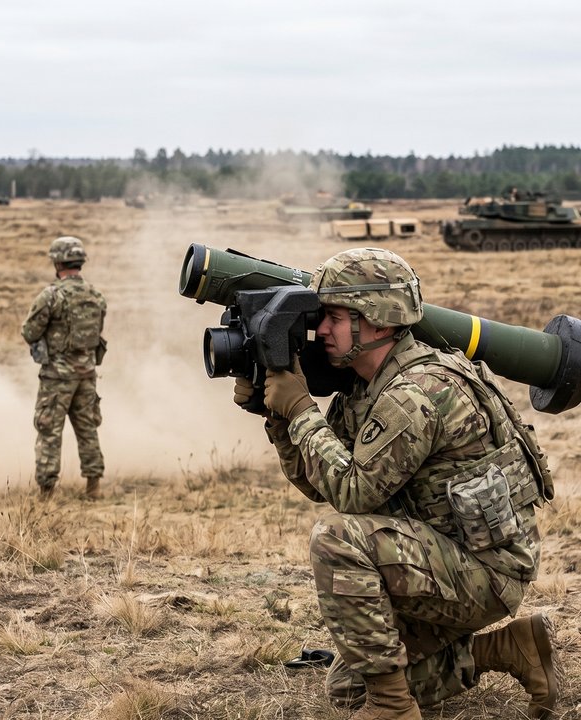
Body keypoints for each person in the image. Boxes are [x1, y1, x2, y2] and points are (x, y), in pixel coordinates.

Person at [237, 248, 558, 719]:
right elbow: (319, 482)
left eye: (334, 317)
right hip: (443, 558)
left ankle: (393, 710)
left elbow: (352, 495)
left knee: (337, 539)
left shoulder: (417, 393)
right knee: (349, 689)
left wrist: (301, 409)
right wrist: (279, 416)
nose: (320, 329)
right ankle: (511, 648)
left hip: (484, 574)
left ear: (380, 322)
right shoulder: (366, 387)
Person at [21, 236, 107, 500]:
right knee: (87, 428)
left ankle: (46, 492)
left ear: (57, 262)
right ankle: (93, 487)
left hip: (57, 377)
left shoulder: (51, 295)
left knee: (49, 430)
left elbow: (29, 331)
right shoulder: (96, 295)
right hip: (87, 373)